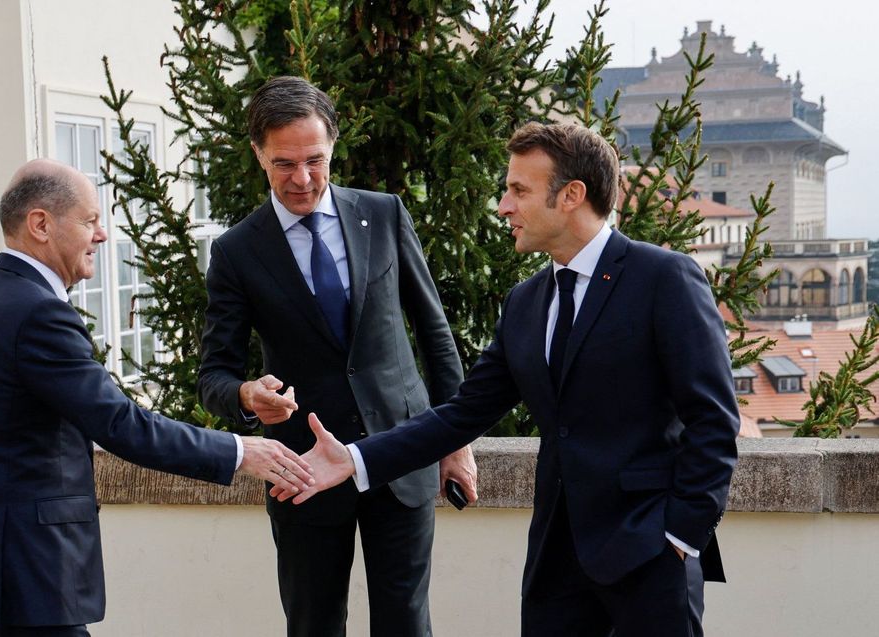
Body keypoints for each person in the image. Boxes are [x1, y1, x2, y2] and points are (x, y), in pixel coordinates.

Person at [287, 122, 741, 637]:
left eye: (518, 190)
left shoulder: (665, 278)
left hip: (650, 555)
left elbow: (714, 422)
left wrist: (681, 538)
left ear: (572, 195)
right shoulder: (525, 303)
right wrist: (353, 460)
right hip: (554, 564)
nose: (504, 205)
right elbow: (462, 414)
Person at [0, 159, 313, 637]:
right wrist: (239, 451)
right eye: (90, 220)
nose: (102, 235)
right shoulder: (37, 313)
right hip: (35, 568)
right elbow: (120, 424)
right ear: (41, 225)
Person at [196, 75, 474, 636]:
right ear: (258, 155)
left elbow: (434, 332)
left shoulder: (386, 214)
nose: (302, 179)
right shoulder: (235, 252)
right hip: (302, 471)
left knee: (407, 623)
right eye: (284, 164)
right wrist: (248, 397)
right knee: (314, 624)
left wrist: (456, 443)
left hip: (401, 454)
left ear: (333, 147)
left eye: (314, 160)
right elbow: (214, 375)